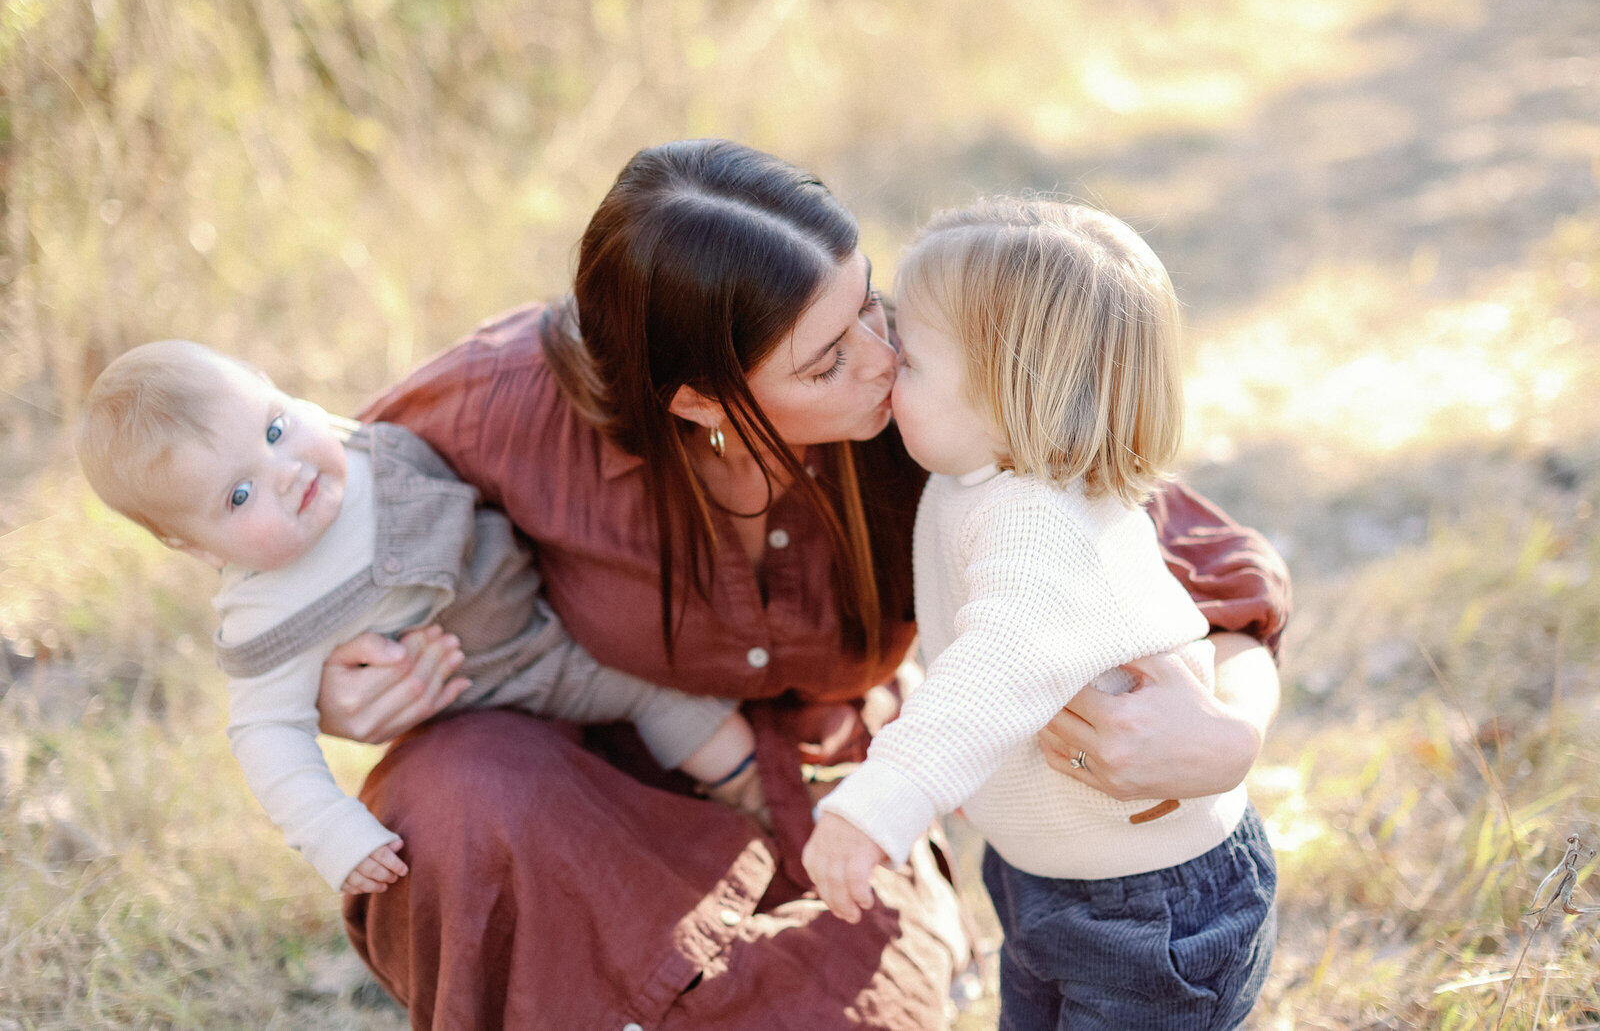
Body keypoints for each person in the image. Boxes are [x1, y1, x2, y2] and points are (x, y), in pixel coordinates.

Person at [313, 139, 1291, 1030]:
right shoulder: (503, 405)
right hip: (594, 795)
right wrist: (329, 681)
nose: (880, 357)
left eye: (874, 304)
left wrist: (1225, 733)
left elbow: (1191, 563)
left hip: (840, 802)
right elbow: (283, 515)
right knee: (453, 792)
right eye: (828, 359)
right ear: (698, 401)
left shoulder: (952, 403)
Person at [802, 200, 1275, 1029]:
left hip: (1146, 906)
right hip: (1053, 874)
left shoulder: (1034, 520)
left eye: (907, 354)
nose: (882, 363)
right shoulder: (976, 476)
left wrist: (876, 806)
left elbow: (992, 669)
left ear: (1007, 392)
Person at [74, 340, 763, 896]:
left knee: (674, 670)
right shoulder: (266, 615)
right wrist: (333, 831)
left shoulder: (350, 447)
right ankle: (752, 800)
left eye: (275, 426)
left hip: (552, 600)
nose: (285, 470)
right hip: (507, 686)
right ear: (193, 546)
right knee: (663, 699)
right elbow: (266, 736)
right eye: (240, 493)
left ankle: (760, 798)